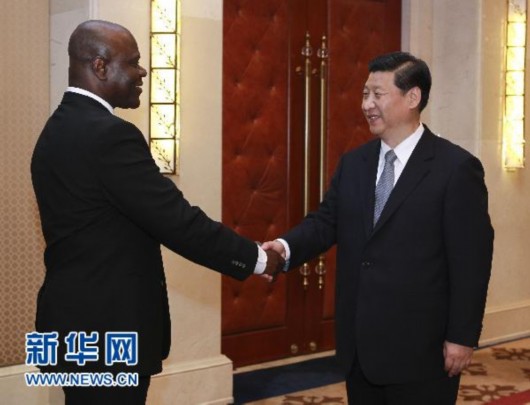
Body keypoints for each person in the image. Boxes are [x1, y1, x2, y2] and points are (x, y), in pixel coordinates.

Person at [30, 20, 284, 405]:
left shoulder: (54, 131)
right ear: (100, 66)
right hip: (110, 334)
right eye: (133, 62)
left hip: (71, 326)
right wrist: (258, 259)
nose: (143, 72)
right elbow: (177, 221)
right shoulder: (109, 136)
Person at [263, 51, 494, 404]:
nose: (366, 104)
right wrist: (284, 248)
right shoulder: (354, 163)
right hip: (361, 349)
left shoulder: (455, 168)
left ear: (412, 97)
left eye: (377, 94)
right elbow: (326, 222)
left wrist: (462, 336)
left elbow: (471, 263)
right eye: (364, 94)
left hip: (422, 351)